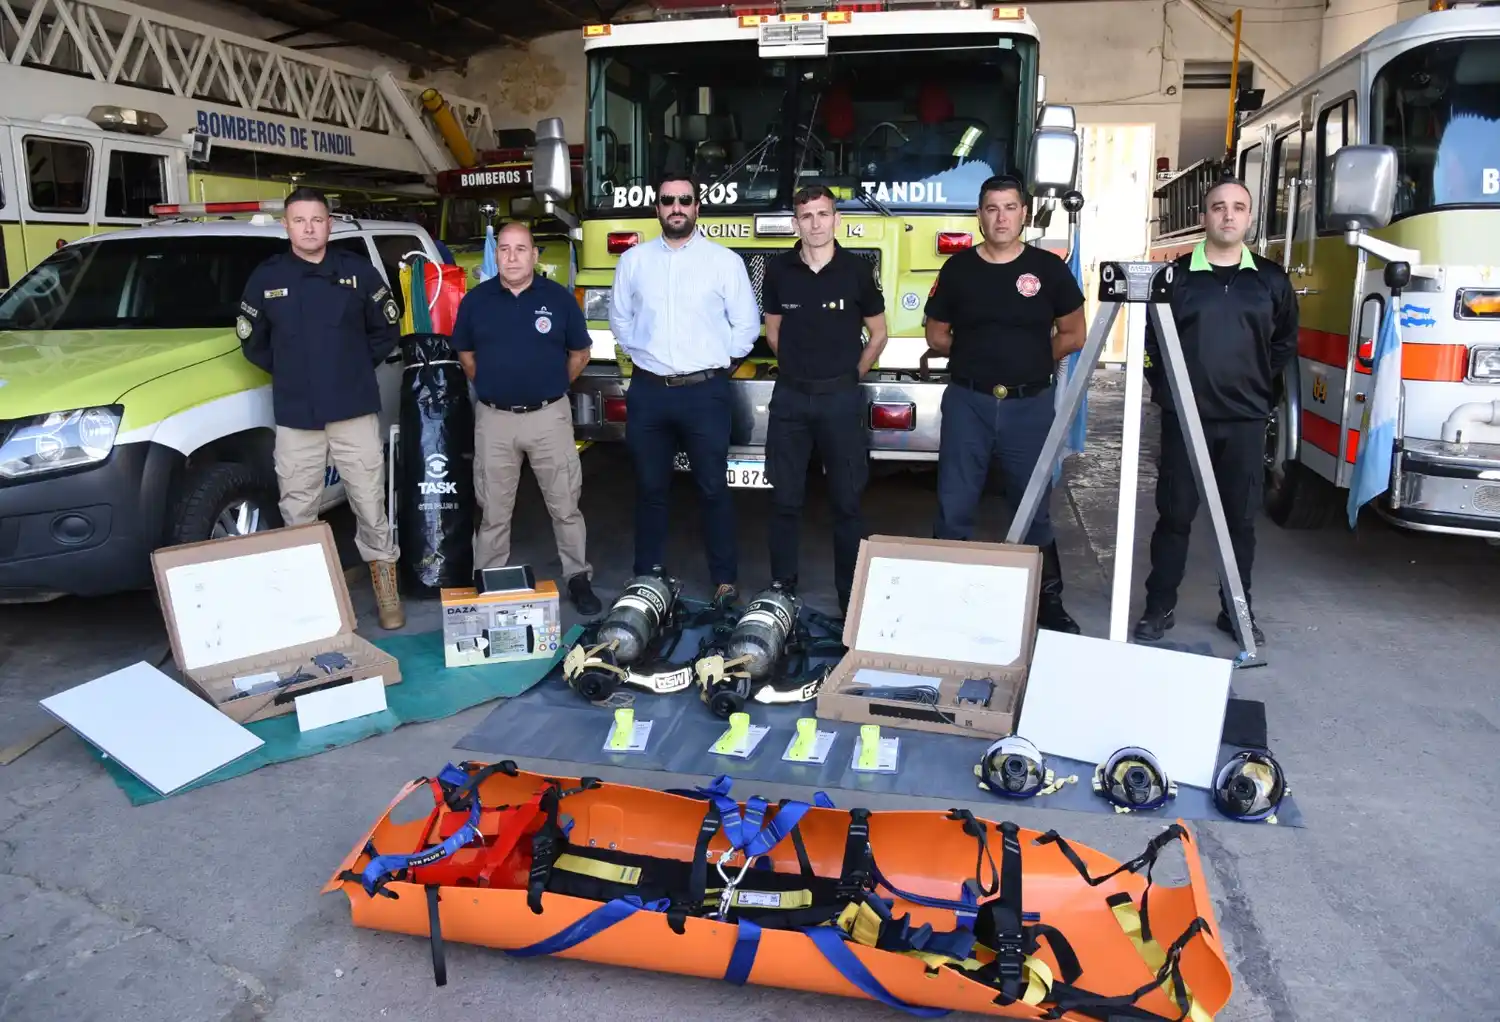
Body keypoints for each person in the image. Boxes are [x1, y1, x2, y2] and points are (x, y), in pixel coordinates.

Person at [1133, 177, 1298, 645]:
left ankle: (1236, 612)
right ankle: (1158, 607)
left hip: (1244, 422)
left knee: (1240, 523)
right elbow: (1151, 345)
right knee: (1175, 517)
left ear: (1249, 217)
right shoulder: (1176, 278)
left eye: (1238, 207)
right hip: (1185, 421)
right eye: (1219, 207)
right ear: (1204, 216)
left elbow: (1284, 342)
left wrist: (1259, 389)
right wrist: (1169, 391)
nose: (1228, 215)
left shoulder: (1271, 280)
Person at [923, 175, 1087, 633]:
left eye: (1010, 208)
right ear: (979, 215)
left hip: (1029, 405)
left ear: (1024, 214)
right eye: (992, 208)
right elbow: (936, 334)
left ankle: (1047, 603)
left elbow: (1075, 333)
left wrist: (1031, 358)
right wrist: (979, 354)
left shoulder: (1049, 269)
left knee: (1032, 507)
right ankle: (947, 602)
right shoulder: (958, 270)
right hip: (968, 402)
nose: (1001, 217)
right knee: (954, 505)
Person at [237, 185, 406, 629]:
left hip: (352, 407)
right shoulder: (267, 277)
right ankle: (307, 598)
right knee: (297, 508)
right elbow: (253, 342)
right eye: (299, 220)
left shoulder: (357, 272)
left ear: (329, 224)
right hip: (297, 414)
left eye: (317, 220)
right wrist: (297, 372)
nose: (309, 228)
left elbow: (385, 330)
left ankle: (386, 592)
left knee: (369, 501)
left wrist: (348, 367)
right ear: (286, 225)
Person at [607, 170, 761, 604]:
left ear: (697, 207)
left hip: (705, 393)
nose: (677, 207)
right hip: (649, 392)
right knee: (650, 487)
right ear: (657, 208)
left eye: (685, 200)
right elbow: (620, 320)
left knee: (713, 487)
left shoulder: (723, 261)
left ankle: (725, 581)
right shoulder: (633, 262)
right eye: (668, 200)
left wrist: (717, 362)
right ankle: (647, 575)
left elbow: (746, 324)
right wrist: (646, 354)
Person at [451, 221, 601, 615]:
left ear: (535, 255)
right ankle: (488, 579)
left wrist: (550, 387)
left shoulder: (559, 299)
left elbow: (580, 354)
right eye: (505, 249)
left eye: (521, 249)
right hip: (494, 419)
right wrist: (490, 385)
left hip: (548, 417)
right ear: (496, 254)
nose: (512, 256)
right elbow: (466, 356)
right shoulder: (476, 301)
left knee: (565, 503)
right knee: (493, 509)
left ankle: (578, 577)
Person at [762, 184, 888, 614]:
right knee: (784, 501)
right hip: (791, 400)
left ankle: (849, 599)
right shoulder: (779, 271)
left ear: (836, 220)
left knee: (847, 503)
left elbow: (879, 333)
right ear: (795, 223)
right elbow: (773, 331)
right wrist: (800, 369)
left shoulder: (856, 269)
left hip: (839, 400)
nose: (815, 223)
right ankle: (782, 591)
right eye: (806, 216)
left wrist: (850, 375)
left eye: (822, 214)